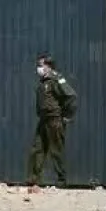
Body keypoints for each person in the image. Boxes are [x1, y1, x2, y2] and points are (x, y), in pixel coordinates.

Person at [27, 54, 77, 189]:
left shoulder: (56, 79)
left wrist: (66, 116)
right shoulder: (44, 81)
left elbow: (71, 96)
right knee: (38, 149)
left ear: (48, 67)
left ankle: (61, 180)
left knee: (56, 151)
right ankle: (34, 179)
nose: (38, 68)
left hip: (55, 119)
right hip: (44, 119)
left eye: (41, 65)